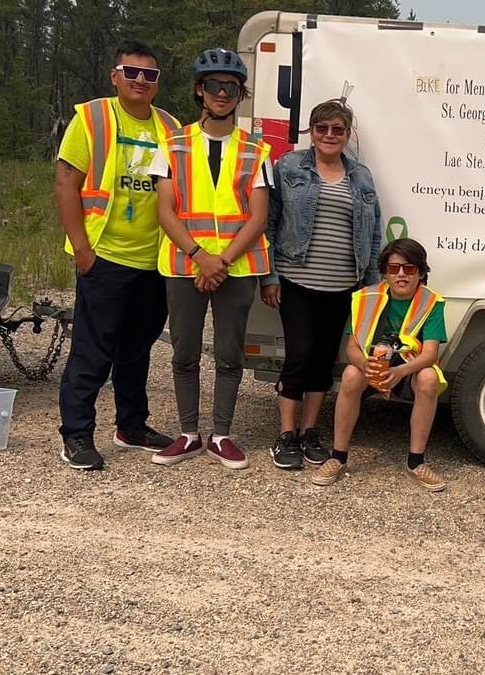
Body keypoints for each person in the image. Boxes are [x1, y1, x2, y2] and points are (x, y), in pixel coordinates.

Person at [55, 40, 181, 470]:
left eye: (150, 75)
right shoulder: (91, 117)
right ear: (115, 76)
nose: (141, 81)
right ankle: (76, 434)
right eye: (132, 73)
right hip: (105, 255)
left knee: (137, 349)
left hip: (154, 260)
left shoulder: (169, 125)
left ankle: (131, 425)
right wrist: (83, 250)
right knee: (93, 350)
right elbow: (65, 184)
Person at [147, 48, 272, 470]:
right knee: (183, 353)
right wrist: (201, 256)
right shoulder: (171, 143)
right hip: (186, 267)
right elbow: (165, 210)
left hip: (235, 270)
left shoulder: (258, 149)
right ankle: (188, 433)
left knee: (229, 353)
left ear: (240, 95)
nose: (222, 93)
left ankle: (221, 434)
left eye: (231, 88)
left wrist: (220, 262)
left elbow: (258, 217)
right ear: (200, 91)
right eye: (214, 86)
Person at [261, 99, 381, 470]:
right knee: (298, 356)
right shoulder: (290, 167)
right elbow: (269, 222)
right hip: (297, 280)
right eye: (322, 128)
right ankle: (285, 435)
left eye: (338, 130)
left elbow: (373, 233)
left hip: (344, 285)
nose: (329, 135)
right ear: (311, 132)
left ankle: (309, 431)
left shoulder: (360, 176)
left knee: (322, 361)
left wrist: (371, 286)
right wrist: (270, 275)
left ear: (347, 135)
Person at [315, 238, 447, 491]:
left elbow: (430, 353)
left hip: (407, 369)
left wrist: (400, 372)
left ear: (420, 272)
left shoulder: (431, 302)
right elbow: (352, 348)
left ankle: (416, 462)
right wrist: (365, 366)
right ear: (385, 272)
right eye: (394, 268)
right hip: (372, 366)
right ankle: (338, 457)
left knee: (429, 379)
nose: (401, 274)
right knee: (352, 374)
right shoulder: (366, 298)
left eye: (409, 269)